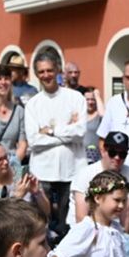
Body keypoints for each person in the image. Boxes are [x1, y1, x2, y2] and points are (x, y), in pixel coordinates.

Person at [23, 51, 87, 241]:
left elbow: (81, 132)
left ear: (58, 70)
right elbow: (34, 140)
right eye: (41, 72)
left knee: (70, 224)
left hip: (72, 168)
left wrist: (51, 130)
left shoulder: (76, 98)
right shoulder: (33, 104)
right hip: (43, 170)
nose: (46, 75)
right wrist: (67, 130)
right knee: (41, 223)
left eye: (49, 70)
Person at [70, 131, 129, 229]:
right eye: (112, 152)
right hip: (84, 229)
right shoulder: (85, 174)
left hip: (113, 229)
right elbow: (81, 217)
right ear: (103, 151)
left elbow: (126, 214)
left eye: (122, 154)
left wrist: (125, 240)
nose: (117, 157)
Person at [0, 142, 48, 217]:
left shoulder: (23, 174)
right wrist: (17, 197)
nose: (5, 162)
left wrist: (37, 193)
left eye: (6, 157)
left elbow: (47, 212)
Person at [83, 87, 102, 163]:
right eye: (87, 99)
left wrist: (97, 96)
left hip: (95, 156)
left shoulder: (99, 115)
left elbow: (104, 115)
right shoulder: (80, 115)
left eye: (92, 99)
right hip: (80, 155)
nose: (90, 102)